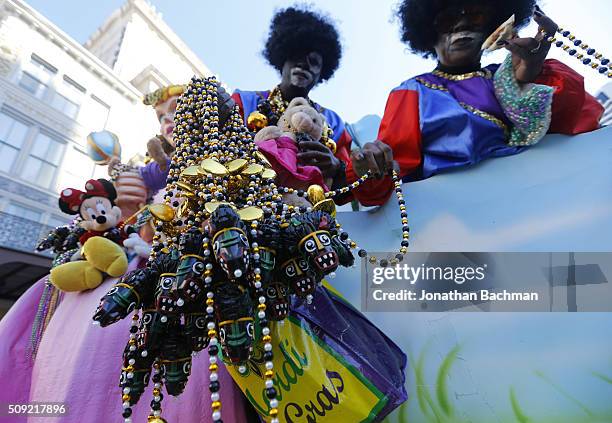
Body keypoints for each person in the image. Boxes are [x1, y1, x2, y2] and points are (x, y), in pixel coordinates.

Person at [348, 0, 604, 206]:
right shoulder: (412, 91)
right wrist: (372, 170)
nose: (462, 24)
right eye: (448, 21)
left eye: (476, 16)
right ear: (428, 34)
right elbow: (390, 174)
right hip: (456, 221)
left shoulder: (505, 74)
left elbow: (576, 121)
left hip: (534, 201)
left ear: (493, 27)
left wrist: (531, 73)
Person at [232, 6, 352, 193]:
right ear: (282, 59)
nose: (304, 63)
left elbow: (351, 188)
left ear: (321, 74)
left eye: (314, 62)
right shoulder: (244, 102)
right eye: (297, 55)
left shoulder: (333, 124)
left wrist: (336, 167)